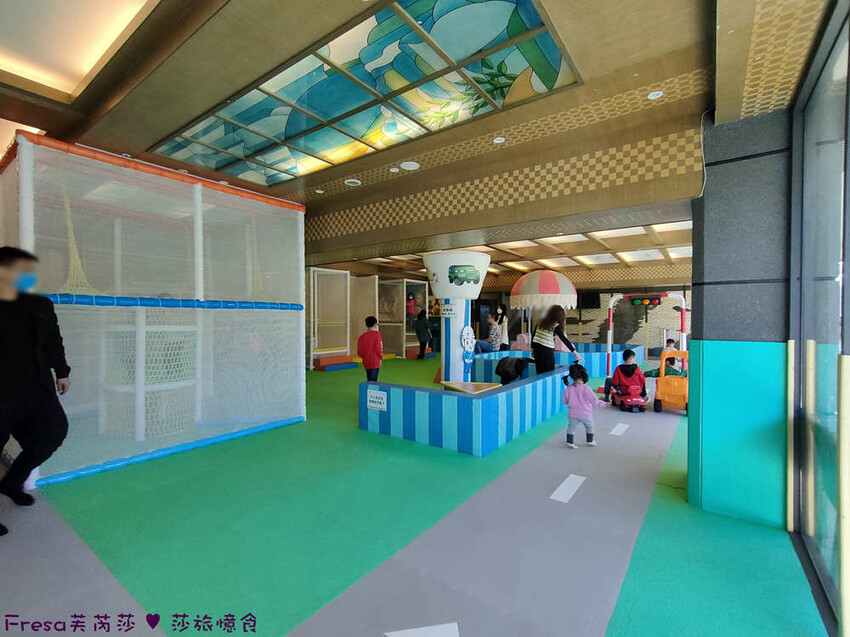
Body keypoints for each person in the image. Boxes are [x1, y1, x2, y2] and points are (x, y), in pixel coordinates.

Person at [0, 247, 71, 538]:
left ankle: (11, 482)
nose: (28, 275)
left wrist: (62, 371)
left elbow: (53, 340)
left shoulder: (40, 305)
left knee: (53, 433)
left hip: (37, 387)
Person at [562, 363, 607, 449]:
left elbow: (565, 401)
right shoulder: (586, 388)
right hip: (585, 414)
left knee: (571, 427)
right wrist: (603, 404)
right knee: (590, 426)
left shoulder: (568, 388)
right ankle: (590, 440)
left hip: (572, 414)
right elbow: (594, 401)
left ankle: (570, 441)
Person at [531, 305, 582, 373]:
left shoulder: (541, 321)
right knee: (549, 372)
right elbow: (564, 340)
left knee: (539, 371)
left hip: (537, 349)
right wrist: (576, 354)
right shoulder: (555, 325)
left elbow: (534, 335)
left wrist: (533, 349)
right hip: (547, 350)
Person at [357, 316, 383, 382]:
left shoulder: (362, 336)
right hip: (375, 361)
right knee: (373, 381)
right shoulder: (377, 335)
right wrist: (380, 358)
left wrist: (365, 357)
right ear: (375, 324)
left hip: (366, 361)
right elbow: (379, 348)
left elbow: (359, 352)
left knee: (369, 379)